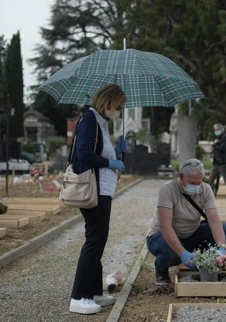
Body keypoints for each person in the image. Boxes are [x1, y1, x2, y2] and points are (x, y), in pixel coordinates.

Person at [69, 84, 127, 315]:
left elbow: (100, 153)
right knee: (94, 240)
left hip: (103, 190)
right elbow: (83, 154)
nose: (120, 109)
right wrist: (110, 162)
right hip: (94, 190)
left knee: (98, 239)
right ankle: (78, 296)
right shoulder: (89, 120)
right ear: (108, 102)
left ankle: (93, 292)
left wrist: (118, 152)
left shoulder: (102, 124)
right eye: (119, 105)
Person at [146, 158, 226, 285]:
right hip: (161, 237)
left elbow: (214, 221)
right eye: (192, 183)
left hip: (190, 234)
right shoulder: (167, 190)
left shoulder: (206, 189)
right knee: (173, 253)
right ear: (181, 177)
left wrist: (222, 248)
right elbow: (165, 226)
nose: (197, 187)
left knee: (225, 229)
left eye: (200, 182)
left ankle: (208, 266)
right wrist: (183, 254)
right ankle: (161, 269)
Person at [208, 123, 226, 196]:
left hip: (222, 163)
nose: (216, 131)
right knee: (211, 179)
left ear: (221, 130)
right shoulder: (218, 138)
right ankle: (211, 195)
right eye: (215, 130)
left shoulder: (225, 138)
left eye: (217, 129)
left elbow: (222, 149)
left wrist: (215, 144)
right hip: (216, 163)